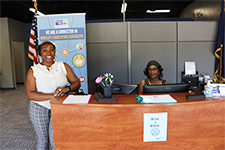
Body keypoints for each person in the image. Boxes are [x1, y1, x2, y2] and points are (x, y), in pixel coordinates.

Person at [26, 41, 81, 150]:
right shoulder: (34, 70)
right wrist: (53, 96)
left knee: (56, 138)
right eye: (45, 50)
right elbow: (30, 94)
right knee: (43, 140)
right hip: (39, 108)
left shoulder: (63, 66)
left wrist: (67, 88)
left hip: (60, 108)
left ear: (55, 52)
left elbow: (76, 82)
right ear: (40, 54)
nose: (49, 52)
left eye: (51, 49)